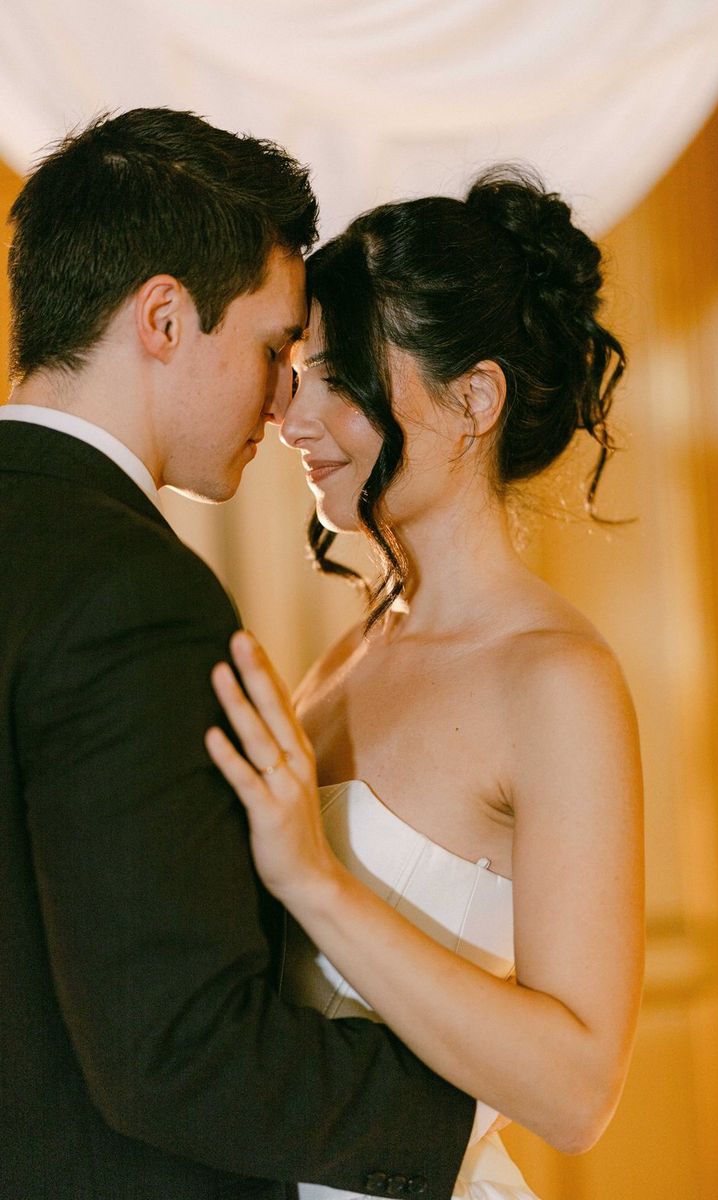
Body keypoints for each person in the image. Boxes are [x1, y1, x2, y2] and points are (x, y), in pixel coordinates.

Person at [0, 108, 477, 1200]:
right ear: (163, 317)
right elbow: (176, 1055)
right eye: (271, 347)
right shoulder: (132, 595)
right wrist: (469, 1104)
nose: (282, 398)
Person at [206, 170, 646, 1200]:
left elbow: (578, 1090)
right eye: (293, 372)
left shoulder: (554, 679)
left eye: (339, 378)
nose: (292, 417)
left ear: (473, 400)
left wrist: (310, 878)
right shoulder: (351, 650)